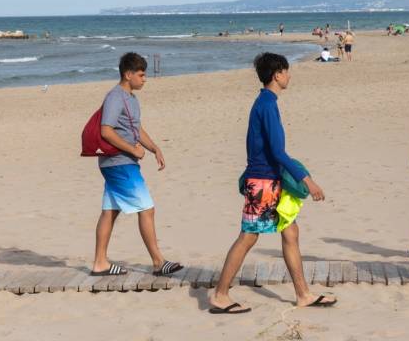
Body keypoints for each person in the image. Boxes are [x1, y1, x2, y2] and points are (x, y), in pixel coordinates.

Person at [209, 53, 336, 314]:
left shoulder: (266, 102)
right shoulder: (266, 105)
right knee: (248, 236)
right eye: (287, 71)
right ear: (277, 74)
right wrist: (306, 179)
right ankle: (220, 295)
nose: (289, 75)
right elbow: (278, 152)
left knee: (290, 232)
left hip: (269, 180)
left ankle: (303, 294)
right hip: (263, 182)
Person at [91, 52, 183, 277]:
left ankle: (100, 262)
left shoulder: (131, 98)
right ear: (128, 74)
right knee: (147, 208)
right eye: (141, 75)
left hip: (118, 163)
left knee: (109, 212)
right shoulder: (115, 97)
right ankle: (158, 262)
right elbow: (106, 130)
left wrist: (154, 148)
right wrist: (133, 149)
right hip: (119, 163)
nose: (145, 79)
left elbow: (136, 129)